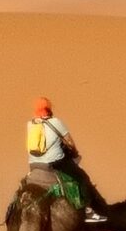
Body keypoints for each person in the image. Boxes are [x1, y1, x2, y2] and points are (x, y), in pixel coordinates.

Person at [25, 94, 111, 222]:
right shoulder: (55, 122)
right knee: (81, 177)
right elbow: (69, 142)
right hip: (53, 164)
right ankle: (87, 211)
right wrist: (75, 153)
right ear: (49, 109)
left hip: (33, 165)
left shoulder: (30, 124)